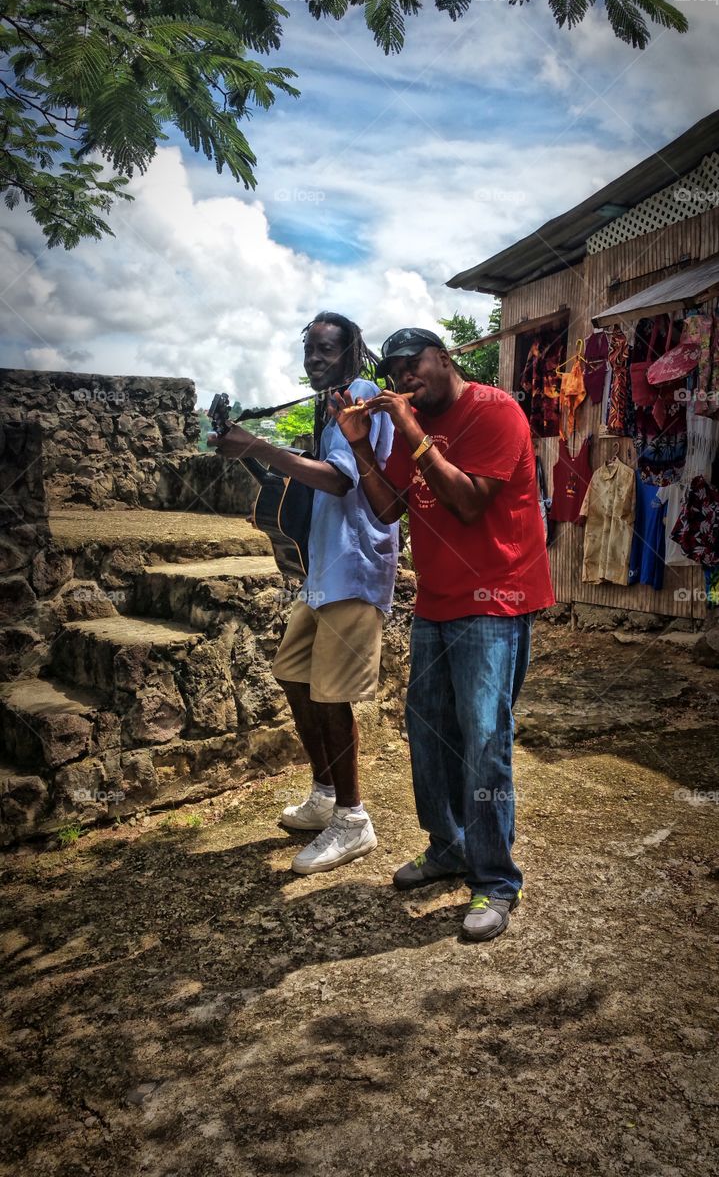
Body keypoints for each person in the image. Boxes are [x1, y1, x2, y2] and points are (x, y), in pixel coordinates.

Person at [331, 327, 554, 941]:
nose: (404, 376)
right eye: (394, 368)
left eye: (414, 363)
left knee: (485, 739)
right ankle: (448, 848)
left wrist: (408, 429)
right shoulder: (413, 421)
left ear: (444, 358)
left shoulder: (494, 411)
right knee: (429, 727)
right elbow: (386, 509)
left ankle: (495, 880)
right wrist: (363, 450)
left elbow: (467, 503)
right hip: (436, 599)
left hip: (496, 598)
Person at [213, 312, 398, 874]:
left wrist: (259, 449)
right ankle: (324, 794)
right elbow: (310, 476)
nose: (313, 359)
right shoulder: (325, 405)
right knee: (294, 674)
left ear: (350, 351)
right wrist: (251, 452)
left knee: (330, 695)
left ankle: (352, 819)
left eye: (324, 350)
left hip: (355, 567)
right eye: (309, 351)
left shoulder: (361, 396)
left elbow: (341, 479)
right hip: (322, 572)